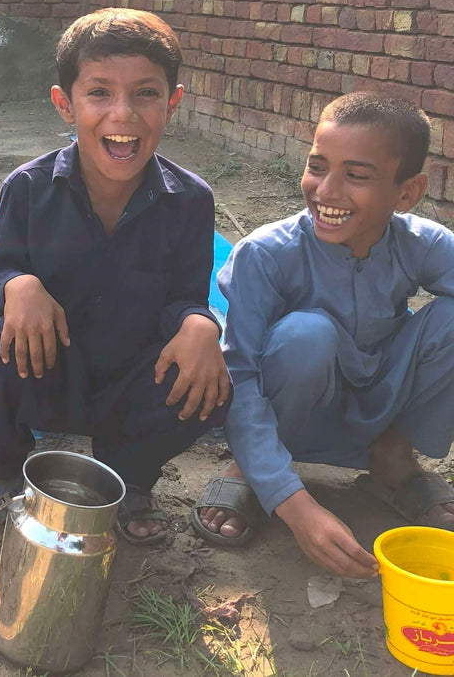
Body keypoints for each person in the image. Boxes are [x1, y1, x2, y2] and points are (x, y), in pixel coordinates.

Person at [0, 8, 230, 544]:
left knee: (211, 370)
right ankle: (2, 476)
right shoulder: (29, 189)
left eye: (146, 94)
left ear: (172, 103)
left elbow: (183, 298)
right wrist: (20, 284)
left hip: (133, 375)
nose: (124, 114)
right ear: (65, 103)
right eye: (100, 93)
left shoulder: (191, 201)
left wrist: (202, 321)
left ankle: (130, 478)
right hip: (53, 369)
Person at [193, 92, 454, 578]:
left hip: (378, 405)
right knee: (306, 335)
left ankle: (392, 459)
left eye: (356, 175)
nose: (327, 191)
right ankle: (253, 471)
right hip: (289, 411)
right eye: (317, 166)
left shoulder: (421, 243)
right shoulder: (266, 254)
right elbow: (242, 377)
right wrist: (296, 507)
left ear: (406, 193)